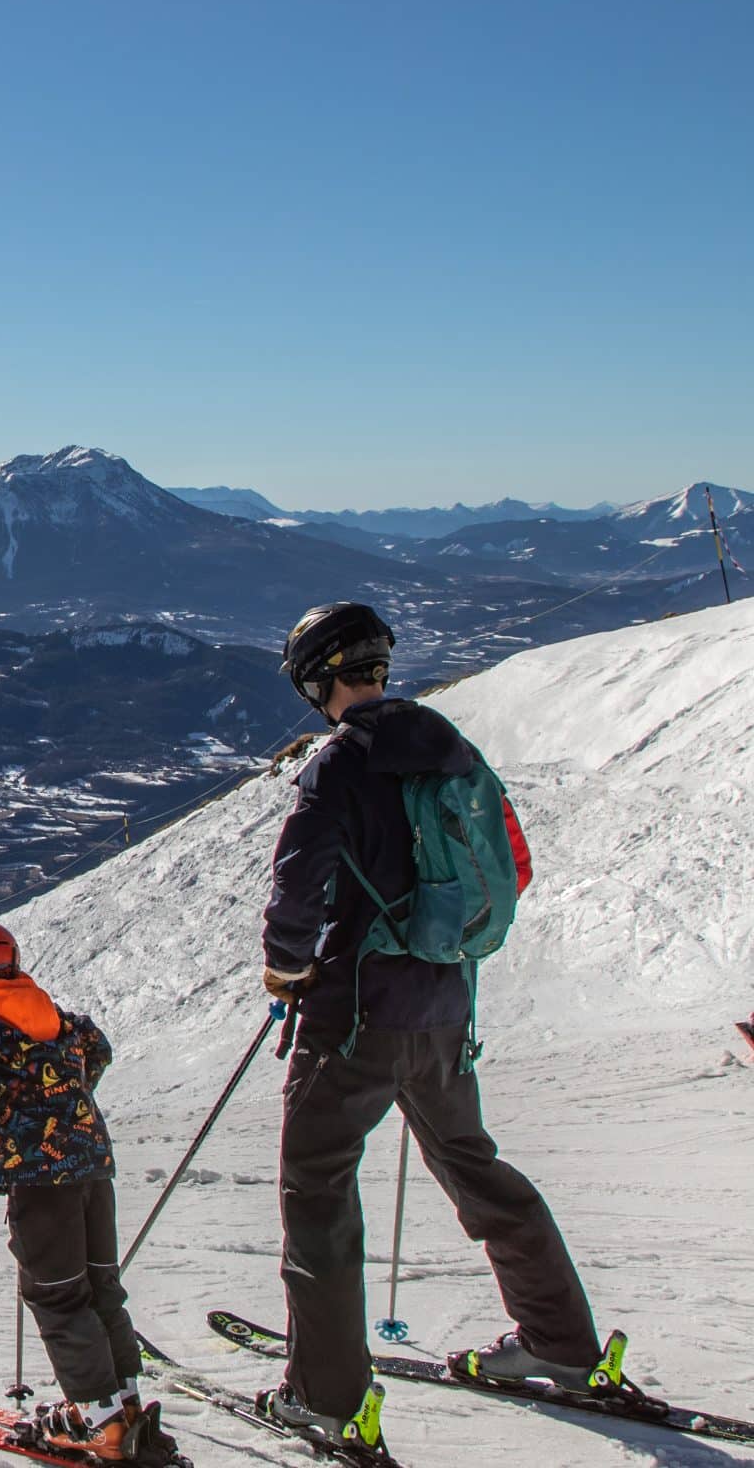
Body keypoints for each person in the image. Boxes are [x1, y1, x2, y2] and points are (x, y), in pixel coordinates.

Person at [260, 602, 605, 1448]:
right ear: (378, 666)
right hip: (447, 1006)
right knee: (475, 1166)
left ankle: (327, 1397)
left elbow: (298, 886)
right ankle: (562, 1346)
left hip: (354, 1018)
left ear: (317, 680)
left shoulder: (339, 765)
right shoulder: (450, 747)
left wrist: (285, 964)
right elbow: (504, 863)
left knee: (319, 1189)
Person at [0, 916, 178, 1465]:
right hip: (91, 1161)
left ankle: (98, 1421)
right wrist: (59, 1095)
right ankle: (122, 1406)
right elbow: (96, 1049)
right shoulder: (47, 1010)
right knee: (101, 1286)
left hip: (37, 1176)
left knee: (56, 1294)